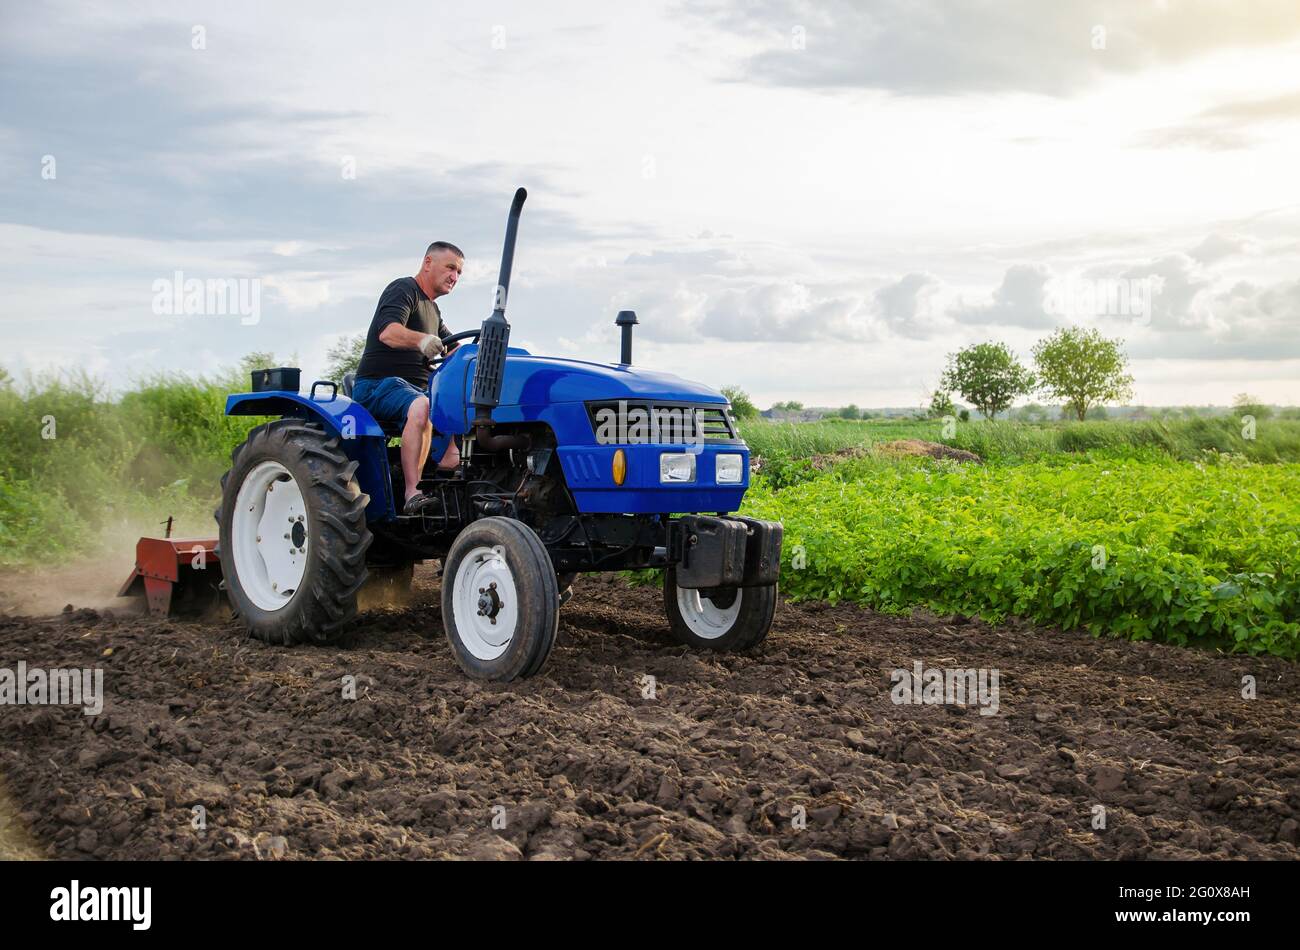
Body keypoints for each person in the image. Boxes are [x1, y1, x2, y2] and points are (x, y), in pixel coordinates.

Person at [352, 241, 464, 514]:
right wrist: (422, 340)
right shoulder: (404, 290)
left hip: (415, 390)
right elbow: (388, 332)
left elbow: (452, 346)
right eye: (450, 267)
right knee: (423, 406)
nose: (455, 277)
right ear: (428, 263)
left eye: (459, 272)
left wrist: (477, 354)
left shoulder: (433, 310)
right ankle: (412, 492)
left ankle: (453, 462)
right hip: (379, 386)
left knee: (465, 401)